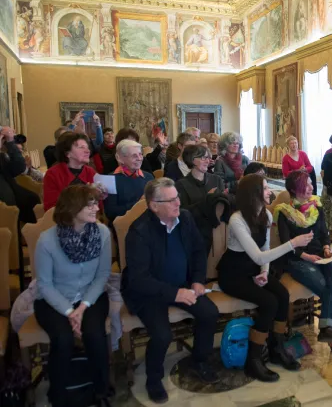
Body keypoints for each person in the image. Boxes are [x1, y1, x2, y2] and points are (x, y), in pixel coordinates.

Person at [121, 178, 219, 403]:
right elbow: (139, 279)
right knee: (162, 334)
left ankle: (199, 361)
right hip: (150, 292)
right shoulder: (139, 232)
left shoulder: (184, 218)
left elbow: (197, 251)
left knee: (209, 313)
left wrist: (197, 281)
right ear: (154, 205)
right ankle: (153, 379)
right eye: (171, 200)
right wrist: (176, 294)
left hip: (181, 284)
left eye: (178, 197)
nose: (178, 203)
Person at [218, 174, 312, 382]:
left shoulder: (266, 216)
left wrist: (263, 272)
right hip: (233, 273)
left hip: (254, 268)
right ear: (254, 194)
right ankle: (253, 360)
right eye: (266, 188)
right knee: (269, 302)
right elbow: (258, 254)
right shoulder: (237, 220)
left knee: (282, 294)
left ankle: (277, 348)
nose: (270, 192)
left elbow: (264, 250)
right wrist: (292, 244)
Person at [34, 185, 112, 407]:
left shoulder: (102, 233)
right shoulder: (47, 240)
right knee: (63, 338)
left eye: (96, 203)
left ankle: (101, 389)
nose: (96, 208)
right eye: (90, 204)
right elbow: (45, 285)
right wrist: (69, 311)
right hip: (53, 299)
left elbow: (103, 275)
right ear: (72, 207)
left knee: (95, 335)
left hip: (91, 296)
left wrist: (83, 307)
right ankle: (57, 394)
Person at [275, 170, 332, 355]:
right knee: (328, 287)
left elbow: (324, 234)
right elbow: (286, 245)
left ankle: (327, 330)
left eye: (310, 184)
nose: (311, 187)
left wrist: (327, 248)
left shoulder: (316, 206)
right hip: (298, 259)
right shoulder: (285, 213)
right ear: (294, 189)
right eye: (306, 185)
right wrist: (306, 256)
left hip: (321, 255)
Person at [43, 132, 98, 211]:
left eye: (87, 147)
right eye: (81, 147)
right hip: (64, 221)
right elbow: (51, 208)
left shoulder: (91, 172)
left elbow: (100, 208)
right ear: (67, 153)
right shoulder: (53, 174)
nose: (87, 151)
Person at [103, 139, 154, 223]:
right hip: (125, 226)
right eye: (134, 156)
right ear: (120, 159)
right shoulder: (110, 179)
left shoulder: (148, 177)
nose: (139, 158)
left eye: (140, 154)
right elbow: (111, 213)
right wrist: (139, 204)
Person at [1, 127, 39, 223]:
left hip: (12, 202)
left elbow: (18, 168)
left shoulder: (2, 157)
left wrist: (10, 143)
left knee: (31, 199)